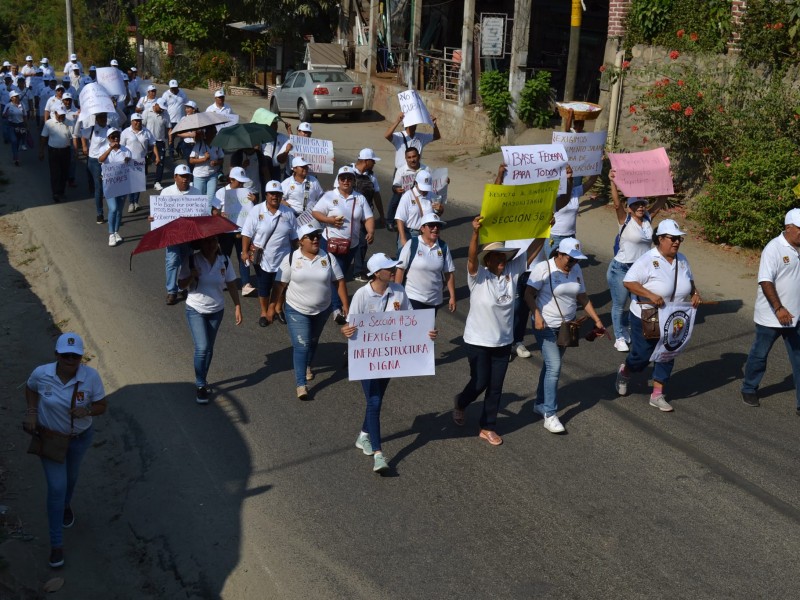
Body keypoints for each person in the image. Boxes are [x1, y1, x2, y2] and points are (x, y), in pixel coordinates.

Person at [341, 253, 438, 473]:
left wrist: (427, 332)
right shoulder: (361, 295)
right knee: (374, 402)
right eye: (388, 268)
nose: (393, 271)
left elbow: (410, 319)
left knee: (377, 400)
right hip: (366, 360)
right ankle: (378, 454)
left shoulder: (399, 291)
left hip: (388, 358)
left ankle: (364, 435)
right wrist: (345, 330)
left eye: (393, 267)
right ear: (376, 273)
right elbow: (351, 326)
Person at [453, 217, 544, 445]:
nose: (503, 259)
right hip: (477, 340)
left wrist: (545, 228)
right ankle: (462, 402)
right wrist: (475, 233)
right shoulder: (478, 276)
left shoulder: (512, 272)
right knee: (479, 382)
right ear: (489, 260)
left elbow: (533, 250)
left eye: (505, 256)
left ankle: (487, 426)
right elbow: (472, 257)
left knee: (495, 387)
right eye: (498, 256)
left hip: (503, 342)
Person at [23, 332, 107, 569]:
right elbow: (30, 389)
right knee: (56, 487)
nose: (71, 360)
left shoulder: (90, 377)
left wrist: (87, 410)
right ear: (56, 355)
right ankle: (56, 545)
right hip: (50, 440)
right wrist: (31, 412)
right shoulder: (42, 374)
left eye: (76, 356)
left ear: (81, 357)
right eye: (66, 355)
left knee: (70, 478)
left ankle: (66, 505)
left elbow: (102, 405)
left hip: (79, 439)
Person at [615, 219, 702, 412]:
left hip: (674, 315)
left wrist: (695, 294)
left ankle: (657, 394)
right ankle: (626, 370)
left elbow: (690, 280)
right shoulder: (648, 259)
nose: (676, 242)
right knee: (643, 355)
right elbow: (629, 282)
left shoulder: (682, 259)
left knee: (667, 351)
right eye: (672, 238)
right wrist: (651, 295)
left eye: (679, 239)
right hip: (648, 314)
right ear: (660, 239)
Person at [524, 238, 605, 434]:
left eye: (577, 260)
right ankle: (550, 414)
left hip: (567, 328)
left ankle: (540, 403)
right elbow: (528, 294)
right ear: (559, 253)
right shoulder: (544, 268)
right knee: (555, 366)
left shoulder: (576, 270)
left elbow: (582, 297)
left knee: (550, 365)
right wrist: (536, 315)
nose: (573, 263)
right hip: (545, 325)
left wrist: (597, 320)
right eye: (570, 258)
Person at [270, 224, 349, 399]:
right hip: (296, 309)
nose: (315, 239)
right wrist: (272, 307)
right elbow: (279, 285)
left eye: (317, 236)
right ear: (300, 241)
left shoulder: (327, 257)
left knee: (313, 341)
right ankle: (301, 385)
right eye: (311, 236)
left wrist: (345, 305)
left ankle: (307, 365)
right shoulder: (291, 258)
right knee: (302, 345)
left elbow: (339, 282)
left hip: (322, 309)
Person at [741, 208, 800, 411]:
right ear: (788, 228)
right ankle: (749, 388)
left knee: (799, 360)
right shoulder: (773, 249)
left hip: (796, 317)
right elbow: (766, 281)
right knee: (760, 355)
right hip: (772, 316)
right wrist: (779, 308)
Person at [606, 168, 667, 351]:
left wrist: (667, 180)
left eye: (642, 204)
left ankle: (643, 331)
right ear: (629, 208)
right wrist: (612, 182)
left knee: (643, 302)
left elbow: (662, 200)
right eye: (636, 204)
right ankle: (619, 337)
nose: (640, 207)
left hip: (641, 271)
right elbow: (617, 204)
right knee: (620, 305)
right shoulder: (624, 220)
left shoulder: (648, 219)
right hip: (621, 269)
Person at [178, 235, 243, 404]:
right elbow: (180, 285)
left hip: (216, 310)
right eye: (206, 241)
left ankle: (203, 379)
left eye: (213, 241)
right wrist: (191, 275)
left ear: (217, 243)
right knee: (202, 347)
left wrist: (237, 306)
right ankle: (200, 385)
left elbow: (231, 284)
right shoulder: (192, 260)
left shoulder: (225, 260)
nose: (210, 244)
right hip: (195, 309)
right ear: (200, 243)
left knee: (209, 348)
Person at [312, 165, 376, 323]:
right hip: (332, 243)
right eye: (343, 178)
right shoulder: (329, 196)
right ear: (338, 180)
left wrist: (370, 231)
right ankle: (337, 308)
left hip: (351, 245)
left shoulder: (359, 198)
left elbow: (368, 217)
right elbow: (316, 212)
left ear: (353, 181)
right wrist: (330, 220)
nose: (346, 181)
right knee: (337, 276)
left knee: (339, 274)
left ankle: (328, 297)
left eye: (349, 178)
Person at [240, 180, 298, 327]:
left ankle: (278, 309)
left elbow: (294, 237)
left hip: (284, 257)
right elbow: (247, 233)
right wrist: (245, 251)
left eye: (278, 194)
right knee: (264, 286)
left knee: (282, 285)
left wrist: (298, 255)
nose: (275, 196)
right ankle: (264, 312)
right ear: (266, 195)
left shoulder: (289, 213)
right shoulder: (256, 211)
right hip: (263, 258)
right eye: (272, 193)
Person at [158, 164, 202, 305]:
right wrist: (154, 217)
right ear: (175, 177)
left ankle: (184, 284)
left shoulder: (196, 192)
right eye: (182, 176)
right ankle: (171, 291)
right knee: (172, 260)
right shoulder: (166, 192)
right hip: (172, 234)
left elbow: (202, 213)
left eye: (187, 176)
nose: (185, 179)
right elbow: (159, 213)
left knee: (186, 259)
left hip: (188, 235)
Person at [395, 213, 456, 314]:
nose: (435, 228)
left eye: (438, 226)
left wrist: (452, 297)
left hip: (434, 300)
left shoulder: (443, 247)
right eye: (431, 225)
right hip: (413, 297)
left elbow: (449, 273)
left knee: (428, 330)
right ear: (422, 228)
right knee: (414, 328)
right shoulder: (412, 244)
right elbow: (400, 270)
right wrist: (397, 296)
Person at [212, 166, 257, 296]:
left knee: (243, 255)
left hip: (242, 229)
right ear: (231, 179)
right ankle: (223, 281)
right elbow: (214, 210)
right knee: (224, 256)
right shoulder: (222, 192)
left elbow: (252, 210)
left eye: (243, 182)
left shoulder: (246, 191)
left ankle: (246, 284)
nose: (241, 184)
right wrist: (220, 214)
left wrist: (254, 201)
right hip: (225, 230)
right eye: (239, 181)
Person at [97, 128, 132, 246]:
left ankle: (116, 231)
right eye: (113, 136)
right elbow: (100, 160)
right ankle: (111, 234)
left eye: (117, 136)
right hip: (109, 183)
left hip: (122, 183)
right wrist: (110, 148)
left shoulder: (126, 150)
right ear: (108, 138)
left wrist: (129, 161)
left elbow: (132, 166)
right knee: (113, 208)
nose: (116, 138)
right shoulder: (104, 148)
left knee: (119, 210)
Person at [394, 170, 444, 251]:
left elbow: (435, 217)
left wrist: (440, 210)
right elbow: (400, 219)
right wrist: (403, 239)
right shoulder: (407, 196)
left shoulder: (432, 196)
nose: (424, 191)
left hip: (427, 235)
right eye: (422, 187)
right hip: (411, 234)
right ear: (415, 183)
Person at [120, 112, 158, 212]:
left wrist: (157, 156)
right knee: (131, 183)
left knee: (139, 183)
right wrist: (123, 157)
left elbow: (153, 144)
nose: (138, 123)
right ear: (131, 122)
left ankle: (136, 202)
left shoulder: (146, 132)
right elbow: (121, 147)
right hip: (129, 161)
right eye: (136, 121)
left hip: (141, 161)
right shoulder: (125, 132)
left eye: (139, 121)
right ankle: (131, 203)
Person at [78, 111, 111, 223]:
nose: (103, 119)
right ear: (97, 119)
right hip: (95, 161)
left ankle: (113, 211)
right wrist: (84, 147)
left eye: (105, 117)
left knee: (111, 186)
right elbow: (83, 136)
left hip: (108, 161)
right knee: (99, 187)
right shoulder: (92, 129)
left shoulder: (110, 129)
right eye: (101, 117)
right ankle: (99, 214)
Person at [386, 146, 428, 228]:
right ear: (406, 159)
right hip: (405, 197)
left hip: (422, 197)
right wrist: (397, 189)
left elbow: (433, 183)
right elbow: (395, 185)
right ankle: (390, 221)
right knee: (395, 201)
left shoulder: (426, 169)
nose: (412, 160)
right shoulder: (401, 170)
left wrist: (444, 180)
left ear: (418, 157)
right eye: (409, 157)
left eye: (414, 156)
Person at [39, 107, 72, 203]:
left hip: (66, 152)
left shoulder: (68, 122)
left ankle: (61, 191)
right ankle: (56, 193)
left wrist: (75, 149)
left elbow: (72, 137)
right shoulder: (49, 123)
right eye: (60, 114)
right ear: (56, 113)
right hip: (53, 152)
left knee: (64, 173)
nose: (62, 116)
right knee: (55, 173)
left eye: (63, 115)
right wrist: (41, 151)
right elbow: (43, 137)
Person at [189, 126, 224, 202]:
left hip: (212, 175)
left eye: (214, 133)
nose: (213, 135)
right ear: (206, 134)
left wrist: (216, 162)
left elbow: (221, 159)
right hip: (199, 176)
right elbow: (191, 160)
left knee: (210, 199)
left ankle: (208, 213)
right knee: (199, 199)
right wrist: (204, 159)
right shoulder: (199, 144)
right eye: (211, 133)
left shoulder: (217, 144)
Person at [141, 98, 169, 190]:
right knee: (145, 161)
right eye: (160, 107)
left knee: (160, 162)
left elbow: (168, 128)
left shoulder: (165, 114)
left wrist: (170, 140)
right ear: (156, 105)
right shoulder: (146, 112)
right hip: (148, 142)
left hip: (160, 141)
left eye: (163, 108)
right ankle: (143, 180)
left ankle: (157, 182)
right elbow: (142, 126)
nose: (162, 110)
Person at [162, 79, 187, 157]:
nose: (173, 90)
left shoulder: (182, 93)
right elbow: (162, 106)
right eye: (172, 88)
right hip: (170, 120)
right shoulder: (165, 95)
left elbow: (187, 103)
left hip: (181, 120)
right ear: (169, 87)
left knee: (183, 137)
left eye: (175, 88)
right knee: (171, 139)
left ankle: (179, 148)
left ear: (178, 86)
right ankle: (171, 153)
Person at [3, 90, 26, 166]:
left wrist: (26, 126)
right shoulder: (8, 106)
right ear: (11, 98)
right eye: (15, 96)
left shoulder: (22, 105)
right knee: (14, 141)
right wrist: (7, 114)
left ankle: (15, 155)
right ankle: (16, 158)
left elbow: (25, 116)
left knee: (17, 142)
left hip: (20, 125)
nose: (17, 97)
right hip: (12, 126)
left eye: (18, 96)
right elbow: (3, 116)